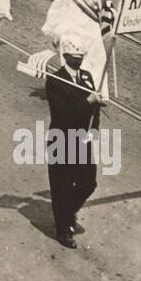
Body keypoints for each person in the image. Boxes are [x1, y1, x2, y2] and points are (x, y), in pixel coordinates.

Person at [45, 36, 107, 249]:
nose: (78, 61)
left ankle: (67, 211)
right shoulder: (55, 81)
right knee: (61, 185)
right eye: (74, 58)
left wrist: (95, 128)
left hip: (82, 138)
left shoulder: (87, 77)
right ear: (65, 56)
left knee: (88, 183)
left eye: (81, 57)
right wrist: (87, 101)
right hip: (61, 139)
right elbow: (62, 114)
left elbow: (94, 108)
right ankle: (63, 229)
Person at [42, 0, 110, 99]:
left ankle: (98, 92)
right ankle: (81, 92)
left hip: (92, 31)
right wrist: (56, 33)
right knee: (80, 63)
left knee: (99, 60)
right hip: (76, 32)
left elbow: (100, 7)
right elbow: (56, 10)